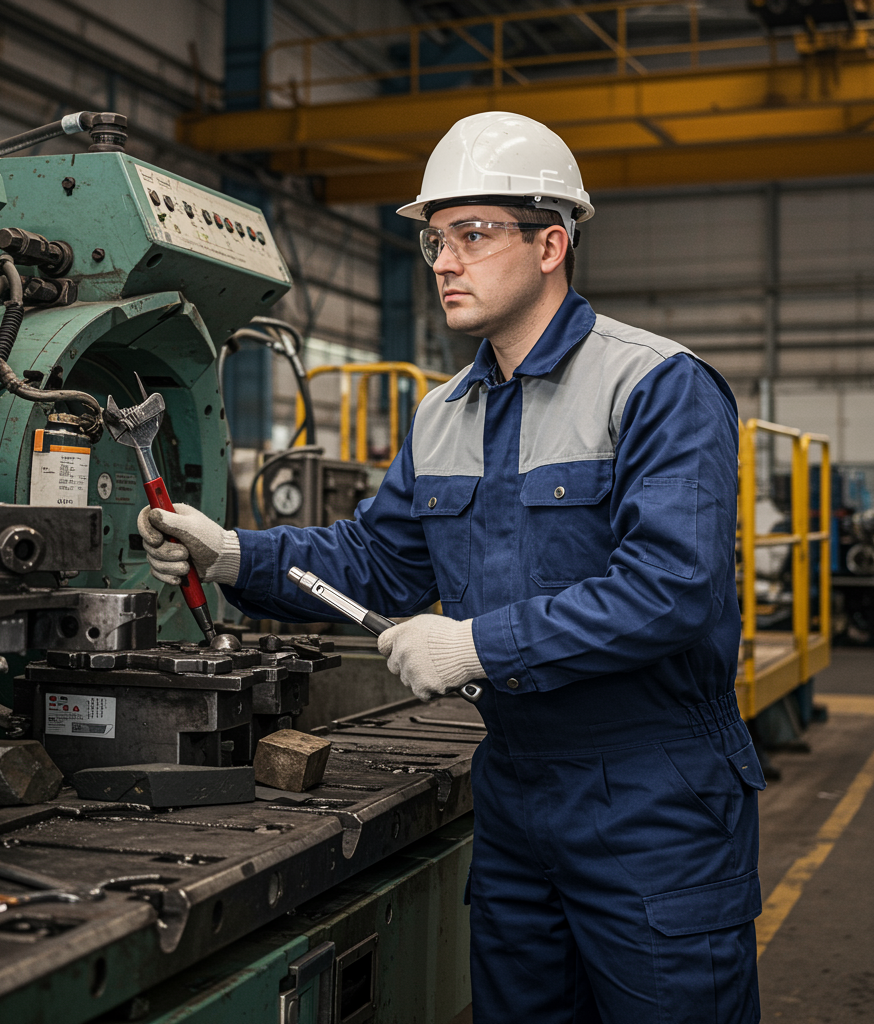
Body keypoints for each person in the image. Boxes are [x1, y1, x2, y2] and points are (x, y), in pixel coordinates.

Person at [137, 111, 765, 1024]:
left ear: (552, 243)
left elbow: (671, 589)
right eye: (437, 237)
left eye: (474, 234)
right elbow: (374, 560)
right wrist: (233, 553)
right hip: (515, 793)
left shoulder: (656, 385)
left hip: (654, 793)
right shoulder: (444, 415)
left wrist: (476, 645)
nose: (443, 260)